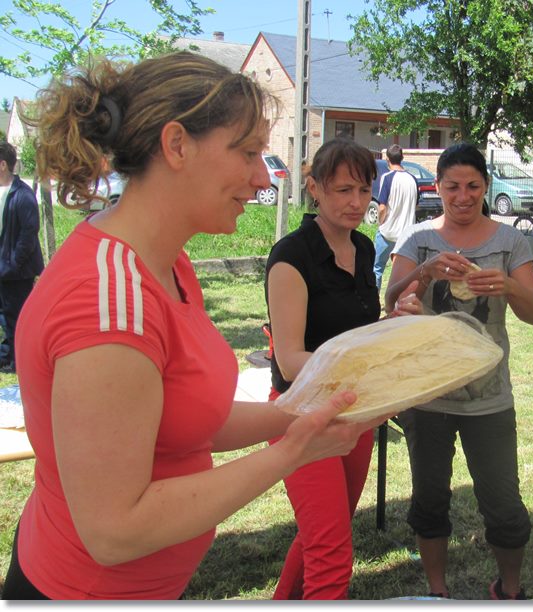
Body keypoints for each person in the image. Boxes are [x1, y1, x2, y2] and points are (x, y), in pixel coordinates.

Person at [1, 52, 390, 600]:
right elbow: (114, 531)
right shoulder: (109, 302)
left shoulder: (166, 264)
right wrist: (291, 452)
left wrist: (304, 415)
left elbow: (188, 416)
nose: (262, 177)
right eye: (249, 152)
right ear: (177, 145)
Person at [384, 142, 533, 600]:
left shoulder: (509, 241)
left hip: (488, 397)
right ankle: (438, 593)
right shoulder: (419, 238)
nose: (463, 196)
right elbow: (392, 303)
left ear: (486, 187)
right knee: (430, 500)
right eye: (452, 186)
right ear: (438, 187)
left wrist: (508, 284)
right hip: (428, 395)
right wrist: (426, 272)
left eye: (473, 186)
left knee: (504, 504)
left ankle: (508, 590)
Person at [264, 138, 421, 600]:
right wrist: (364, 365)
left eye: (364, 190)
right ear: (314, 188)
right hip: (300, 414)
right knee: (331, 552)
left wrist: (394, 323)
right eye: (343, 190)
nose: (357, 202)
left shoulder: (363, 246)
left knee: (322, 534)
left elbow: (358, 333)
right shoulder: (291, 256)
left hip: (353, 412)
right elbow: (290, 360)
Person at [0, 141, 45, 374]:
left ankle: (20, 362)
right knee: (6, 317)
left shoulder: (23, 195)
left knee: (17, 317)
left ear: (3, 165)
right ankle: (8, 356)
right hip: (3, 268)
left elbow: (28, 234)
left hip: (16, 271)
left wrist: (13, 265)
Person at [372, 144, 418, 290]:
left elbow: (382, 207)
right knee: (403, 274)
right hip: (406, 234)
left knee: (377, 269)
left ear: (387, 159)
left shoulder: (387, 178)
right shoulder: (412, 179)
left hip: (388, 232)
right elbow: (416, 205)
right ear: (402, 158)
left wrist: (380, 222)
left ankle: (374, 300)